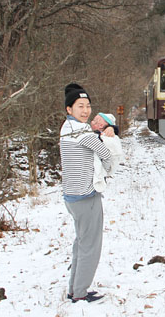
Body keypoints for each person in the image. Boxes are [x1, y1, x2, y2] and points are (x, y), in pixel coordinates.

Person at [59, 83, 110, 303]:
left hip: (71, 196)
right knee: (90, 246)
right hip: (86, 196)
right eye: (80, 106)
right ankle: (79, 293)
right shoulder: (81, 131)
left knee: (81, 243)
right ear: (69, 109)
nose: (86, 110)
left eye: (88, 106)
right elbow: (106, 153)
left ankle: (74, 288)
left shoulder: (67, 128)